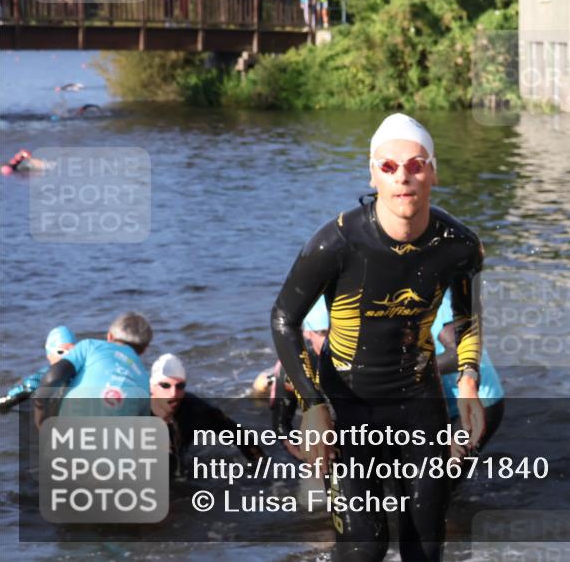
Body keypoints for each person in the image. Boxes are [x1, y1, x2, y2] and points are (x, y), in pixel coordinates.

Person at [271, 112, 485, 562]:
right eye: (388, 166)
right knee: (365, 546)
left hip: (419, 404)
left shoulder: (459, 246)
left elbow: (466, 318)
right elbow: (284, 318)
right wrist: (313, 405)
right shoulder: (336, 243)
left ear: (433, 173)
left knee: (425, 545)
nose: (402, 176)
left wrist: (468, 382)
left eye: (416, 165)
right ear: (373, 175)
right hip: (348, 405)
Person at [150, 354, 264, 478]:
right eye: (165, 386)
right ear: (152, 387)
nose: (173, 394)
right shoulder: (137, 411)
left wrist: (262, 468)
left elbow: (238, 435)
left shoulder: (196, 409)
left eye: (180, 386)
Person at [33, 312, 154, 423]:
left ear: (110, 336)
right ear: (144, 349)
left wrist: (40, 413)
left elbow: (52, 377)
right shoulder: (144, 379)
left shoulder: (89, 346)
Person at [432, 288, 504, 458]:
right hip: (444, 403)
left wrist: (408, 371)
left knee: (443, 468)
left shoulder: (440, 301)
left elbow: (457, 355)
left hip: (477, 400)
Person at [269, 296, 329, 458]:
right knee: (261, 387)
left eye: (335, 332)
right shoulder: (291, 368)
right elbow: (281, 426)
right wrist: (306, 459)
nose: (329, 340)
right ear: (307, 333)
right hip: (294, 373)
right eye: (323, 333)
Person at [0, 327, 76, 414]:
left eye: (72, 352)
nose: (66, 357)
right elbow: (5, 400)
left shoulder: (84, 373)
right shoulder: (41, 378)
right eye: (61, 352)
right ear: (49, 355)